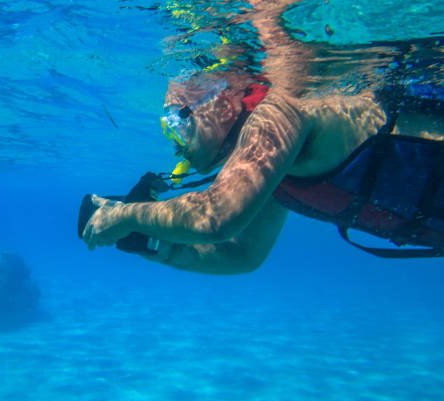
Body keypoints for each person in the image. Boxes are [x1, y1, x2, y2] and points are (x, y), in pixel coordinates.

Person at [81, 0, 444, 273]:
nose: (173, 139)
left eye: (176, 121)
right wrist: (155, 245)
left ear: (223, 108)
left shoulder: (280, 114)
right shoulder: (266, 166)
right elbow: (241, 254)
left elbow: (216, 217)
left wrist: (125, 217)